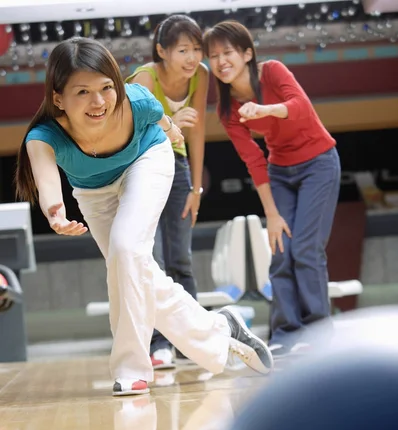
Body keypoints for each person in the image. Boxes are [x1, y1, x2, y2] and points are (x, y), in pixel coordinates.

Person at [15, 36, 273, 396]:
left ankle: (132, 366)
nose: (99, 101)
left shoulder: (135, 101)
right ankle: (222, 329)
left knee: (126, 250)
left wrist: (170, 130)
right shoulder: (44, 136)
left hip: (148, 161)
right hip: (93, 192)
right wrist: (54, 211)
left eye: (107, 87)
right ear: (58, 98)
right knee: (133, 267)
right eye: (83, 92)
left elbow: (161, 119)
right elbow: (47, 183)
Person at [204, 21, 341, 358]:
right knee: (280, 250)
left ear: (247, 53)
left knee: (306, 249)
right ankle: (285, 331)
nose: (221, 61)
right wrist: (272, 214)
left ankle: (319, 331)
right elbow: (254, 161)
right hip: (280, 172)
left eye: (228, 52)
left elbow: (300, 106)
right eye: (214, 55)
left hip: (318, 163)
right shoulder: (227, 109)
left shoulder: (273, 72)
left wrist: (265, 110)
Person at [126, 14, 208, 370]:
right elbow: (132, 132)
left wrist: (196, 186)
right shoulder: (145, 77)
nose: (192, 58)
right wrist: (174, 125)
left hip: (178, 167)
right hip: (142, 166)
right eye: (182, 50)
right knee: (151, 260)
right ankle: (159, 344)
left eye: (196, 49)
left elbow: (199, 129)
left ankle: (193, 340)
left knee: (181, 259)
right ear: (162, 50)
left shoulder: (200, 74)